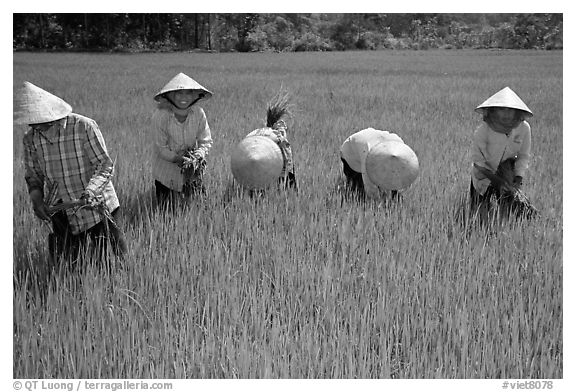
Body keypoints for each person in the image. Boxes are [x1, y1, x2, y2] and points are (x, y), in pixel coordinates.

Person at [15, 81, 127, 269]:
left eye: (41, 120)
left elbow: (104, 165)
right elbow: (33, 176)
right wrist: (37, 201)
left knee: (110, 261)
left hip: (98, 206)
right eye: (32, 121)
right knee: (70, 264)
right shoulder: (30, 138)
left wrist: (90, 192)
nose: (37, 126)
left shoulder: (83, 126)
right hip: (61, 208)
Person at [469, 86, 536, 218]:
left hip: (507, 174)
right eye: (501, 109)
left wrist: (518, 178)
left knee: (513, 214)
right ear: (493, 111)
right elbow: (478, 163)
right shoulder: (483, 131)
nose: (506, 114)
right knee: (478, 214)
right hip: (484, 176)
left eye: (510, 110)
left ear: (517, 111)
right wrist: (497, 182)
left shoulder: (524, 129)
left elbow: (523, 156)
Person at [152, 72, 213, 206]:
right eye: (179, 93)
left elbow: (205, 140)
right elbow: (161, 148)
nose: (184, 97)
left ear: (194, 96)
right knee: (166, 214)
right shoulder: (161, 116)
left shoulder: (198, 113)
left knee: (200, 209)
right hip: (166, 175)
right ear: (170, 95)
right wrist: (177, 158)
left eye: (189, 92)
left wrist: (198, 155)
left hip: (192, 173)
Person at [230, 91, 297, 192]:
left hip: (249, 160)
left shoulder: (256, 132)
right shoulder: (279, 136)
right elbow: (288, 166)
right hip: (271, 162)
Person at [339, 127, 419, 200]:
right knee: (359, 191)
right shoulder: (367, 151)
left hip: (371, 140)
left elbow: (400, 175)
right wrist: (376, 203)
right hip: (351, 155)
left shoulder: (398, 144)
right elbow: (368, 182)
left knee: (393, 192)